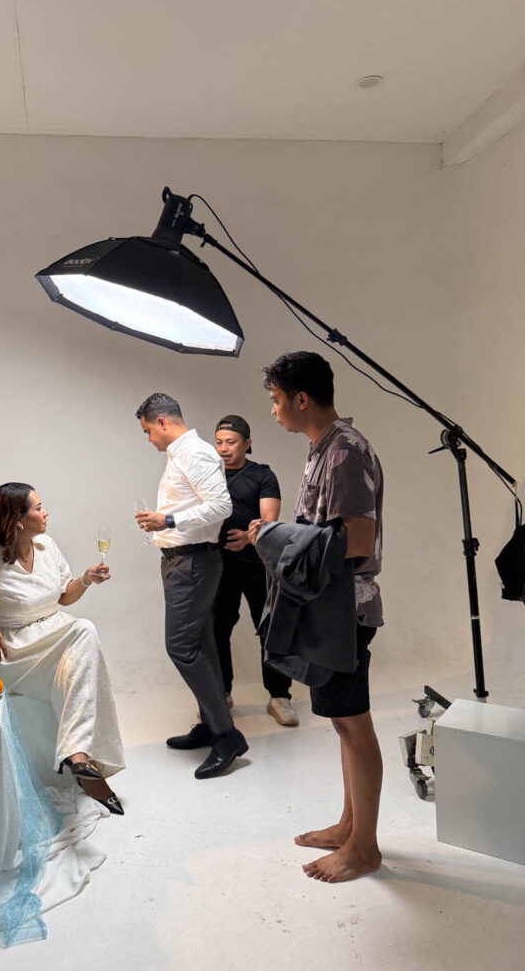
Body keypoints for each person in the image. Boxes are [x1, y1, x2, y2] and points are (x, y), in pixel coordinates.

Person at [249, 352, 384, 883]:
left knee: (353, 723)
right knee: (342, 723)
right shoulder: (323, 448)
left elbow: (360, 538)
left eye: (276, 399)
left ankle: (365, 848)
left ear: (301, 398)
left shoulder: (345, 451)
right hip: (331, 605)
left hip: (346, 609)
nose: (274, 410)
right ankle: (350, 826)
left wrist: (276, 535)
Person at [0, 483, 126, 815]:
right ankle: (80, 758)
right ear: (18, 519)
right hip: (16, 651)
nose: (46, 512)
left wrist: (86, 579)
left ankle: (77, 755)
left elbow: (64, 597)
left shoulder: (47, 547)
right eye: (38, 507)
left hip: (55, 633)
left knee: (83, 631)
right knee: (83, 631)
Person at [135, 393, 248, 779]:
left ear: (162, 422)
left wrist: (167, 521)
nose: (149, 438)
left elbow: (221, 506)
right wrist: (164, 524)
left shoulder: (195, 453)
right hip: (182, 562)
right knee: (201, 644)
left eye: (148, 431)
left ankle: (227, 736)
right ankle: (211, 725)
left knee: (181, 647)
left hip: (193, 564)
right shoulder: (180, 454)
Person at [212, 414, 298, 727]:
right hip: (217, 566)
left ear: (247, 443)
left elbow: (269, 521)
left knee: (270, 627)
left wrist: (249, 539)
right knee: (216, 628)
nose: (224, 448)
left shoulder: (262, 474)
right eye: (219, 442)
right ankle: (221, 694)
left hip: (258, 566)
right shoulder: (208, 475)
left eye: (231, 442)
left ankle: (280, 697)